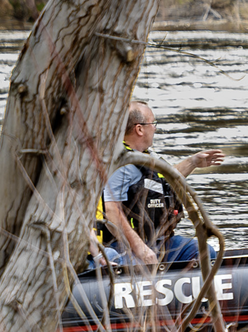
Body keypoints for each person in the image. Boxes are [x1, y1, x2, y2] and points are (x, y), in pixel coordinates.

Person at [96, 101, 224, 265]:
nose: (155, 128)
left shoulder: (148, 156)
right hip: (126, 247)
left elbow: (165, 180)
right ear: (139, 129)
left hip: (160, 242)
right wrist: (140, 248)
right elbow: (112, 211)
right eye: (153, 123)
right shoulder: (121, 165)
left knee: (204, 251)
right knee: (136, 266)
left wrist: (193, 162)